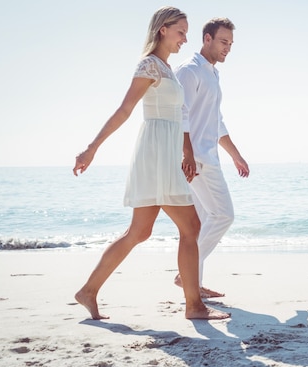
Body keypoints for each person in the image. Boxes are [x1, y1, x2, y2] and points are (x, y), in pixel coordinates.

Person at [72, 6, 229, 321]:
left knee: (139, 232)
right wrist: (92, 148)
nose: (185, 39)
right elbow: (125, 110)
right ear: (163, 30)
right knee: (192, 226)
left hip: (166, 152)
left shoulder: (167, 68)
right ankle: (194, 305)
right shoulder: (149, 66)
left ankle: (88, 291)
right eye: (181, 32)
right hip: (157, 154)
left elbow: (180, 116)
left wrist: (186, 152)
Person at [174, 17, 249, 298]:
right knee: (224, 215)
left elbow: (216, 122)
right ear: (207, 39)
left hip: (207, 156)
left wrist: (236, 157)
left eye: (230, 43)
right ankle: (185, 274)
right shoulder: (189, 71)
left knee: (204, 221)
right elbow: (178, 114)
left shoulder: (213, 74)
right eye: (223, 41)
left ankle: (194, 285)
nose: (227, 48)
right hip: (197, 160)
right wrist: (187, 155)